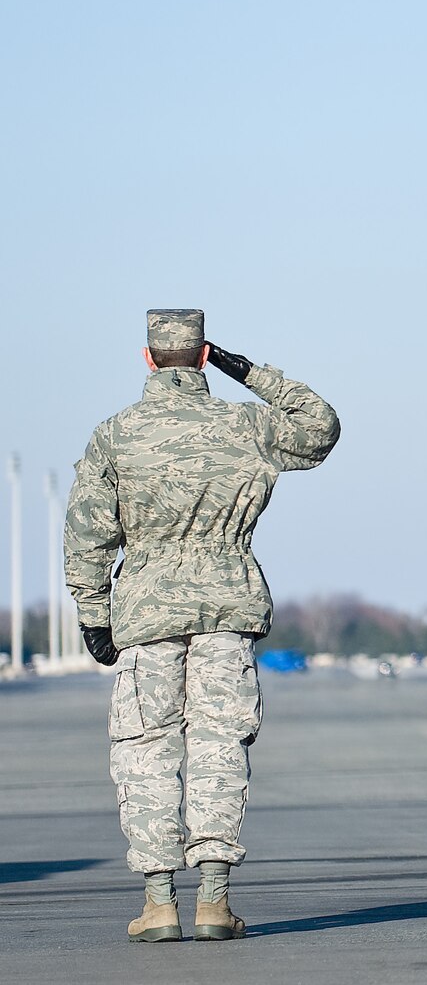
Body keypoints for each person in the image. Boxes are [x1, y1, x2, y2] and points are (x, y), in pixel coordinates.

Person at [65, 309, 340, 942]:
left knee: (146, 749)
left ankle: (159, 902)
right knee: (219, 744)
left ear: (148, 357)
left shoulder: (118, 434)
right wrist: (248, 372)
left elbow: (87, 535)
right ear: (202, 354)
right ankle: (214, 898)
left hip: (145, 612)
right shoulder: (244, 425)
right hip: (226, 607)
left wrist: (92, 612)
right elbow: (320, 426)